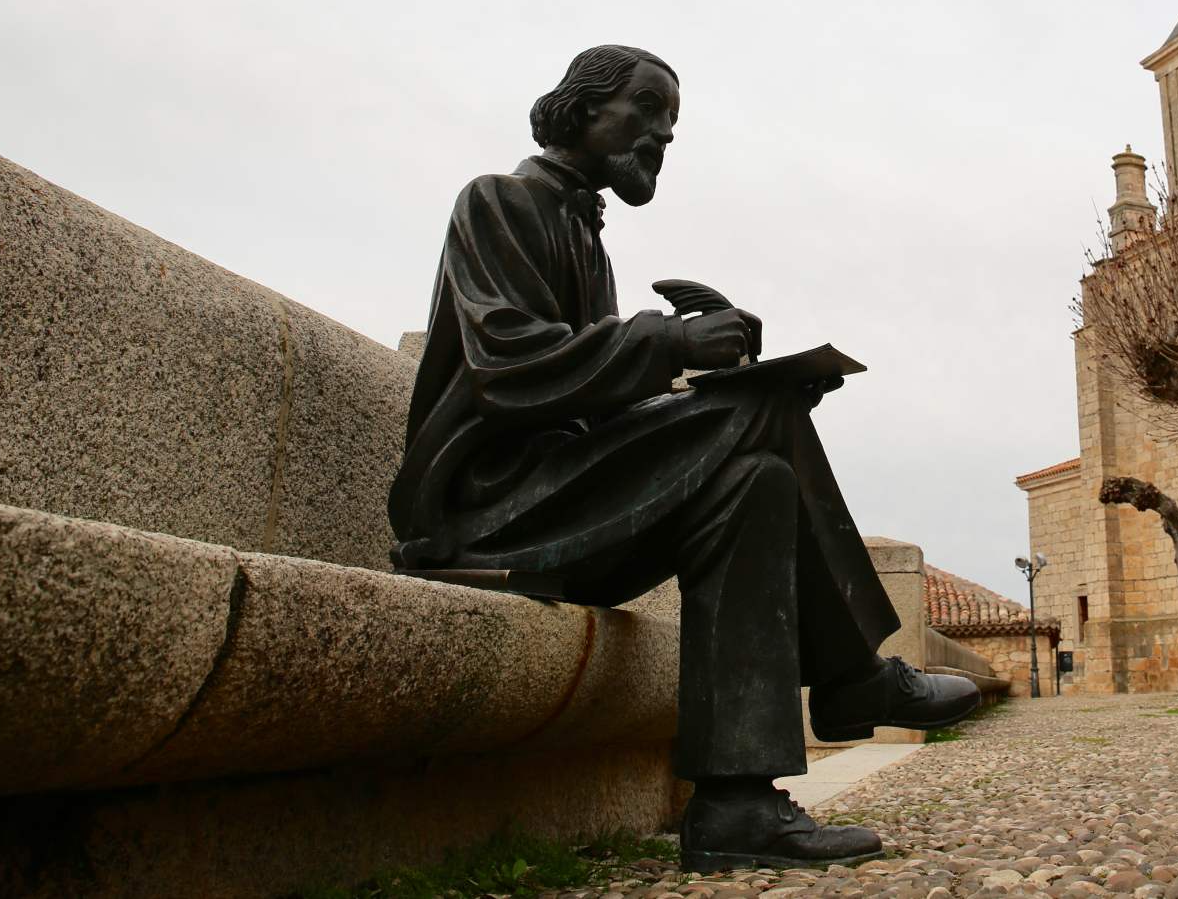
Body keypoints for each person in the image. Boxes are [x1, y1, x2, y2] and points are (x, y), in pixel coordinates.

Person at [387, 45, 978, 871]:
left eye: (672, 121)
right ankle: (851, 676)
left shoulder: (587, 240)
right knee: (759, 416)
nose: (664, 134)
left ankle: (737, 806)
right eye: (647, 109)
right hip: (491, 509)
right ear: (582, 109)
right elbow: (509, 366)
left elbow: (605, 410)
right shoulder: (498, 199)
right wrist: (675, 345)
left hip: (569, 506)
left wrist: (728, 386)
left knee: (757, 476)